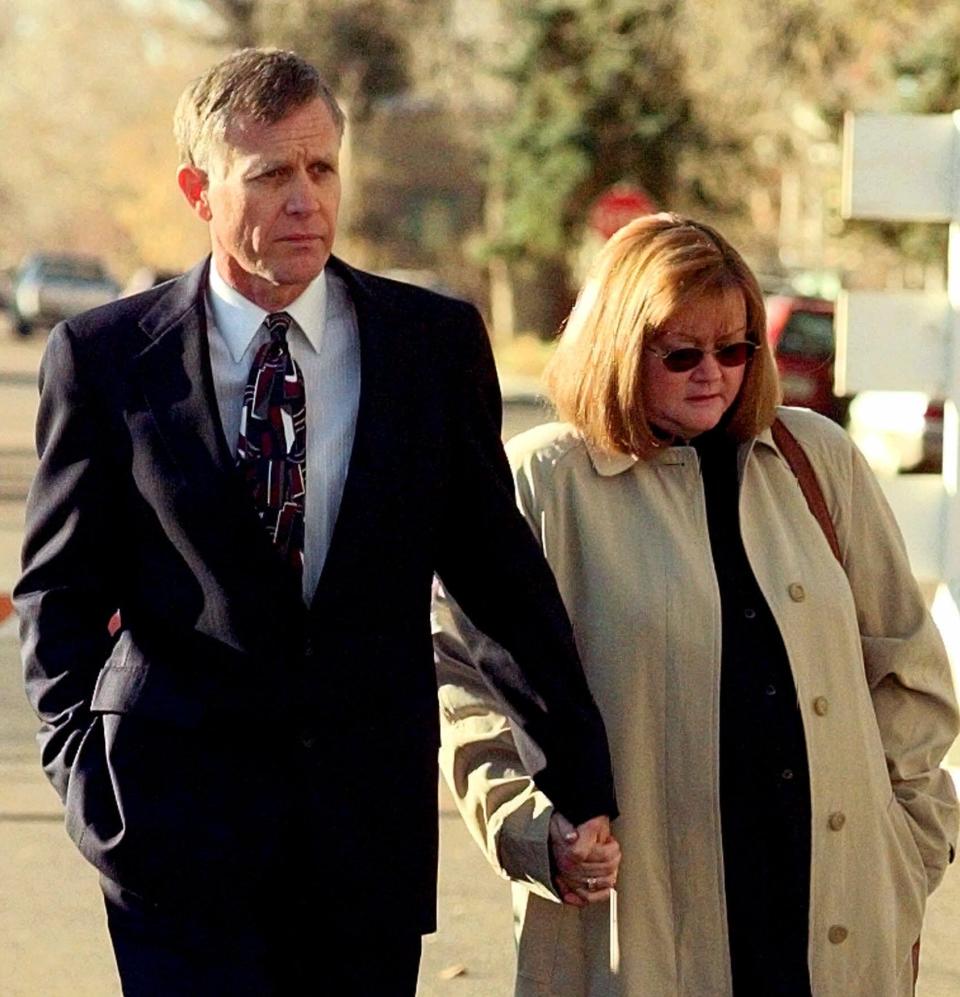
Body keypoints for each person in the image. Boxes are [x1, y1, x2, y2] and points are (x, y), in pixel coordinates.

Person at [14, 48, 619, 996]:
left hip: (361, 838)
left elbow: (500, 578)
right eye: (270, 175)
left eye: (322, 168)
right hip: (171, 835)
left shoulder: (431, 346)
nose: (305, 199)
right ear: (199, 190)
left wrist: (578, 783)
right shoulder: (103, 359)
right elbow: (59, 593)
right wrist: (87, 781)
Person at [434, 213, 960, 996]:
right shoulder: (543, 484)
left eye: (736, 348)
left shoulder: (819, 460)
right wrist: (536, 834)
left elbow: (908, 670)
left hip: (831, 916)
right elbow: (468, 691)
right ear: (618, 344)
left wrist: (908, 845)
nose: (713, 372)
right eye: (681, 352)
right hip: (640, 925)